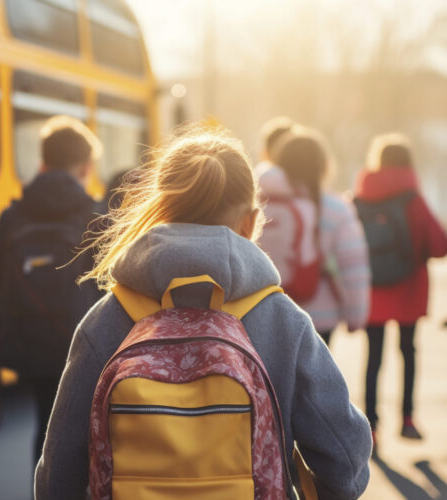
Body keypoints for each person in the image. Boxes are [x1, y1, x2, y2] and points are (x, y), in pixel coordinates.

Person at [35, 126, 372, 500]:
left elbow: (58, 469)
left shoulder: (108, 318)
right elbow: (344, 456)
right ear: (250, 221)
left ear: (160, 209)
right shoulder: (282, 320)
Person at [0, 115, 103, 469]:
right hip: (84, 347)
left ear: (42, 163)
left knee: (47, 426)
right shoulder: (95, 215)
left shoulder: (13, 215)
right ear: (85, 167)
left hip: (27, 342)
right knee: (86, 434)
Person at [354, 133, 447, 448]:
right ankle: (407, 419)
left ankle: (370, 426)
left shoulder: (360, 198)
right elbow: (439, 245)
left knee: (373, 357)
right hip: (409, 288)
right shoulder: (413, 198)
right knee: (408, 352)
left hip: (372, 290)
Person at [258, 125, 370, 345]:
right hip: (320, 316)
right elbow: (353, 266)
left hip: (267, 311)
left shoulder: (259, 202)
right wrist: (356, 315)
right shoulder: (336, 208)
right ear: (322, 165)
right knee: (315, 377)